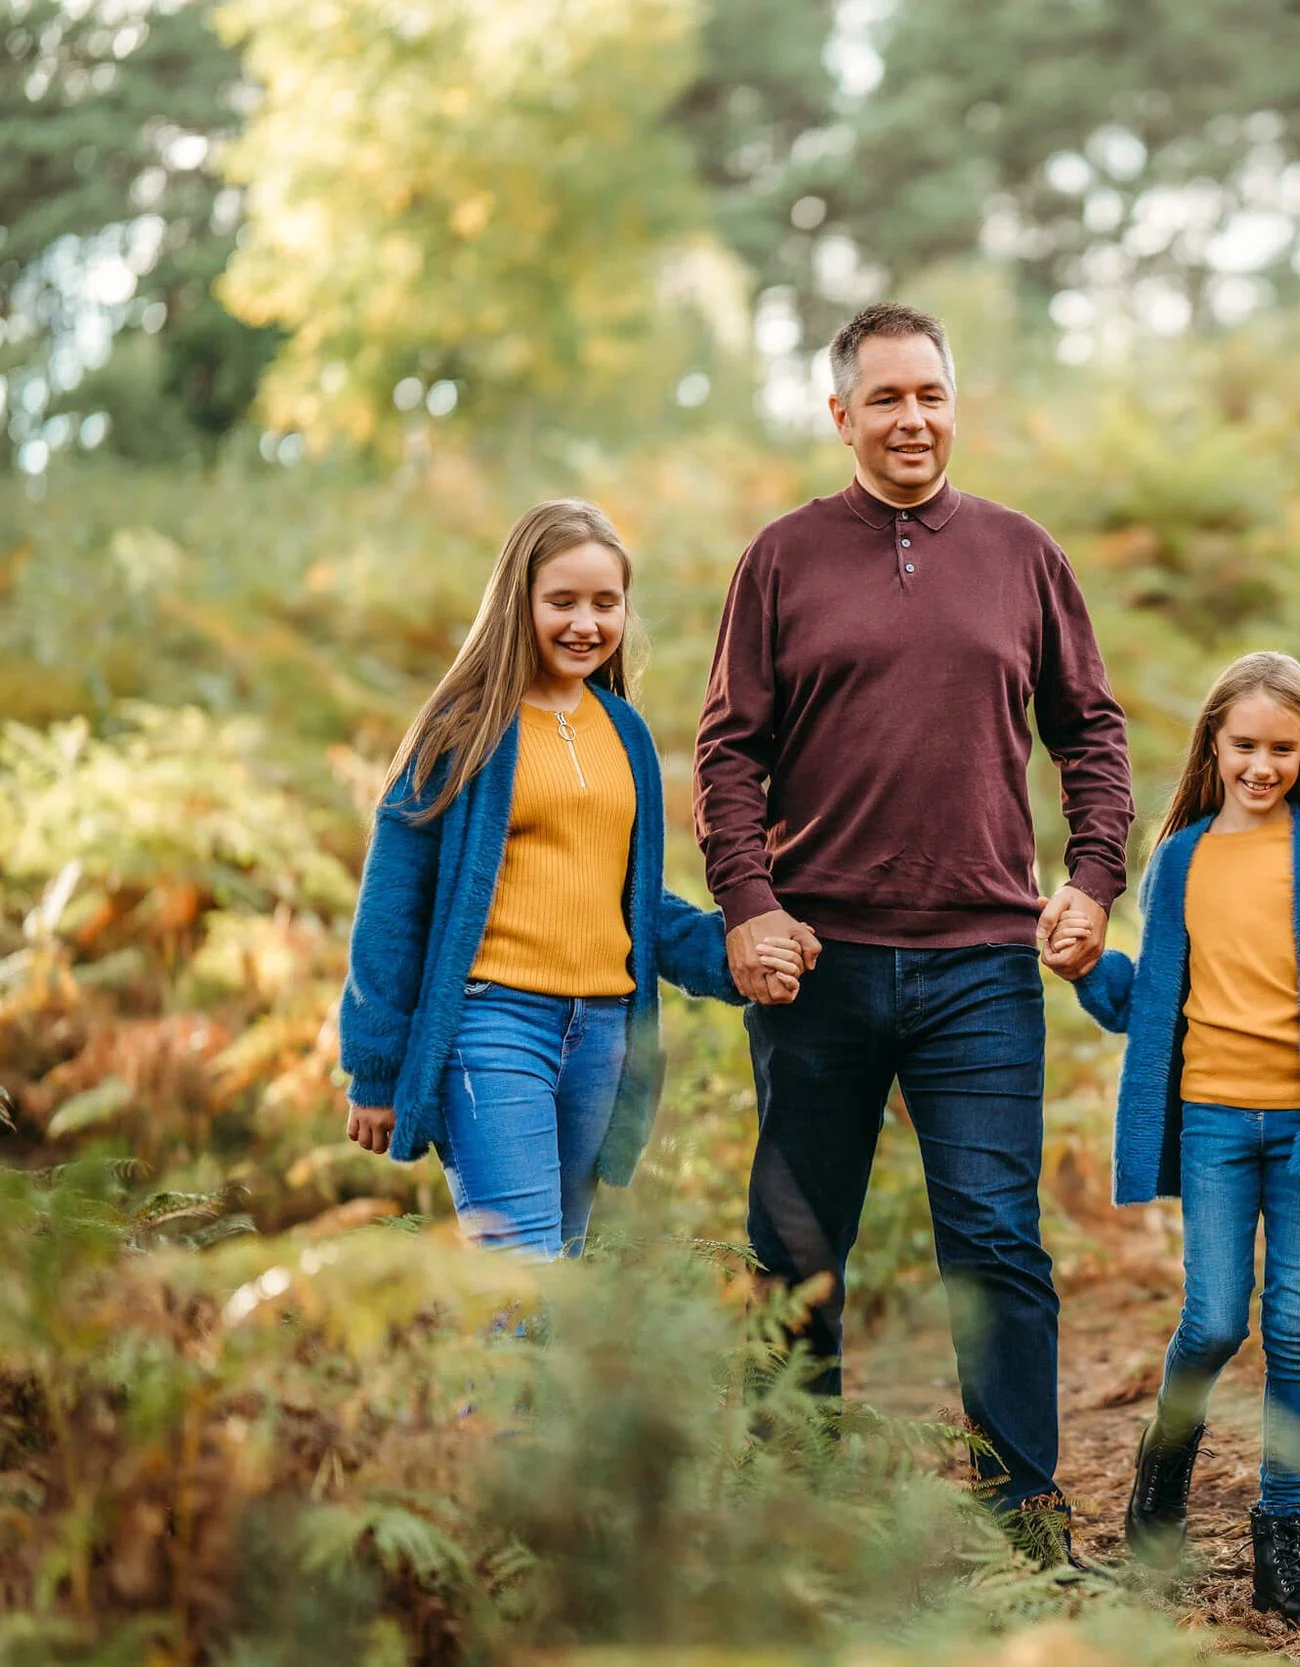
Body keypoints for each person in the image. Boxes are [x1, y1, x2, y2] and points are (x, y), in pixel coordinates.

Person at [694, 302, 1134, 1547]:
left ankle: (1023, 1515)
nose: (912, 418)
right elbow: (729, 748)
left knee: (995, 1240)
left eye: (930, 394)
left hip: (982, 965)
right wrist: (749, 903)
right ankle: (799, 1517)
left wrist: (1092, 877)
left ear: (955, 403)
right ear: (840, 415)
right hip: (817, 963)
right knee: (794, 1247)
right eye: (884, 398)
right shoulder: (779, 560)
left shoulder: (1020, 553)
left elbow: (1091, 729)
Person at [338, 500, 809, 1256]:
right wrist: (374, 1066)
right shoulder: (464, 730)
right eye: (561, 601)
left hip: (602, 1036)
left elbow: (635, 898)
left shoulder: (623, 730)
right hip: (493, 1024)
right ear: (517, 603)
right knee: (522, 1279)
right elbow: (394, 902)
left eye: (605, 602)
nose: (584, 623)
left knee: (559, 1268)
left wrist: (733, 957)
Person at [1061, 653, 1300, 1630]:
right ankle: (1155, 1497)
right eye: (1244, 744)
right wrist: (1085, 967)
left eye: (1282, 748)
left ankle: (1277, 1541)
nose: (1262, 764)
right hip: (1208, 1119)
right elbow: (1147, 1003)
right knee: (1212, 1320)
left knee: (1295, 1323)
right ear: (1212, 743)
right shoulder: (1182, 859)